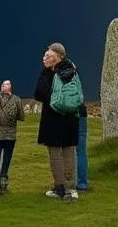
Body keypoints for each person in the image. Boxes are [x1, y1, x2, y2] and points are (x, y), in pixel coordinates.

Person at [34, 42, 83, 201]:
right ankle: (71, 188)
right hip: (70, 118)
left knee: (55, 153)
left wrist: (44, 72)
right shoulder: (72, 71)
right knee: (69, 152)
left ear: (57, 58)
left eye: (49, 56)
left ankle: (59, 187)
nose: (45, 58)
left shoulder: (49, 73)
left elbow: (39, 94)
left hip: (53, 118)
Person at [76, 101, 90, 192]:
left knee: (64, 150)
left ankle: (65, 182)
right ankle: (82, 183)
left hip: (64, 111)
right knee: (81, 151)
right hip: (80, 110)